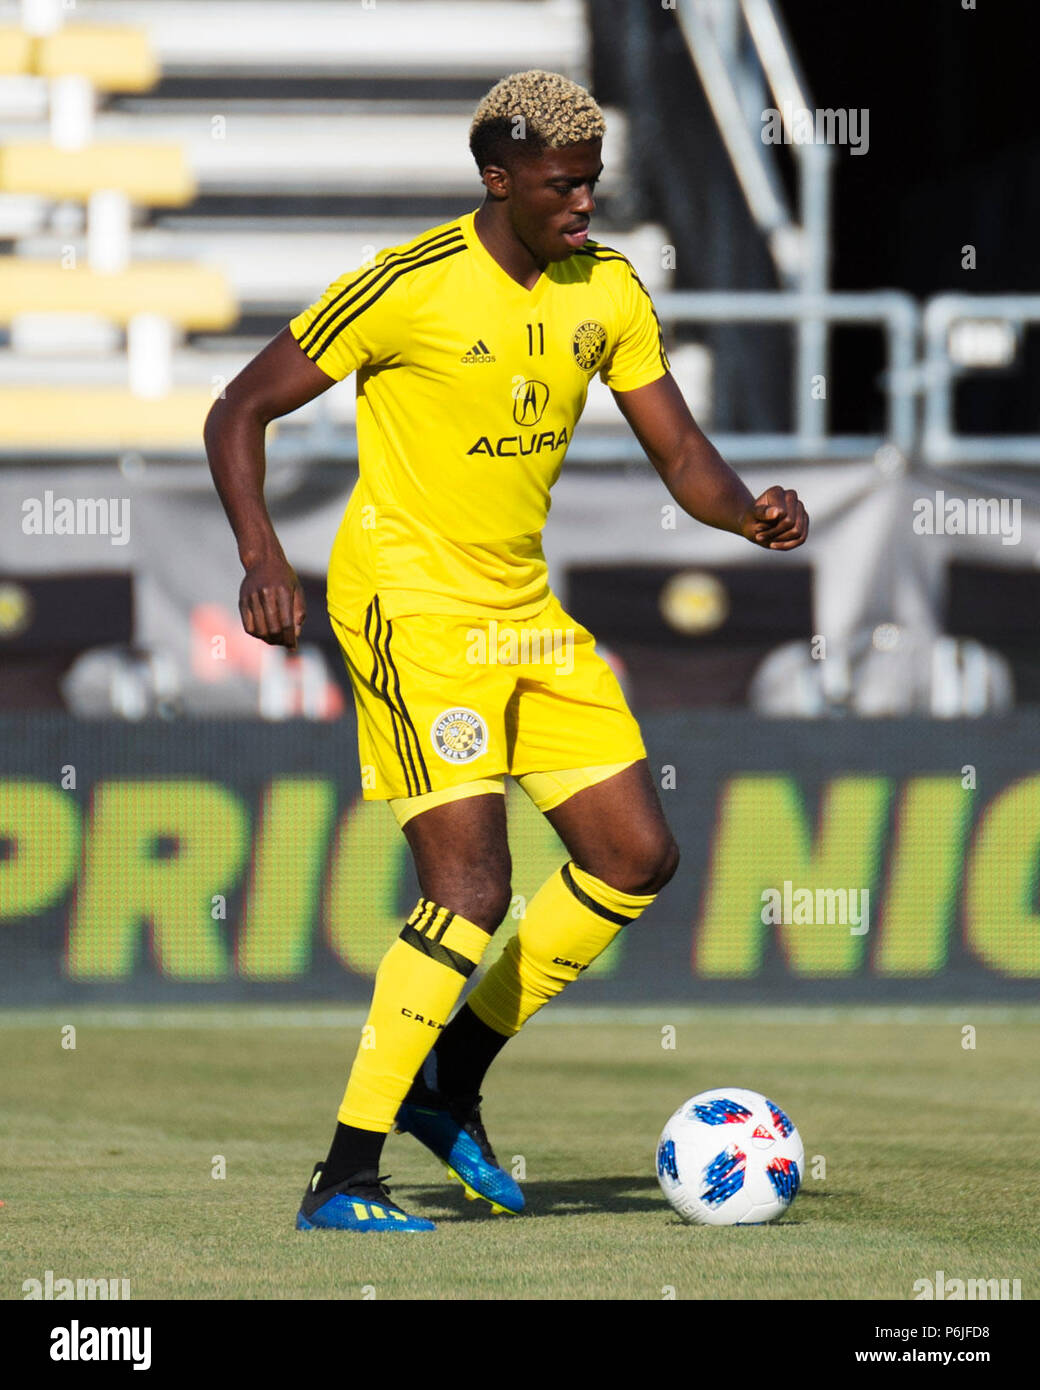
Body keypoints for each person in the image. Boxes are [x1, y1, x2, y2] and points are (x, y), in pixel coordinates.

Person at [204, 69, 808, 1233]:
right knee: (470, 889)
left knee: (635, 855)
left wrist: (745, 514)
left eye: (591, 183)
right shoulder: (409, 287)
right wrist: (262, 556)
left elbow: (680, 455)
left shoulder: (607, 289)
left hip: (526, 613)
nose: (582, 203)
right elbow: (238, 407)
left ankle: (450, 1082)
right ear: (499, 179)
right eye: (560, 186)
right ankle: (343, 1173)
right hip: (411, 612)